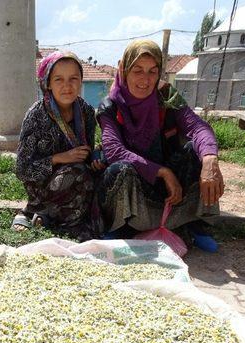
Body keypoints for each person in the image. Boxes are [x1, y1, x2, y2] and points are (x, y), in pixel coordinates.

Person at [96, 40, 224, 251]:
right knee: (119, 170)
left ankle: (194, 224)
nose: (145, 80)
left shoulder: (167, 97)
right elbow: (114, 151)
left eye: (152, 72)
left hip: (170, 190)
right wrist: (162, 172)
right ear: (123, 69)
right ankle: (118, 228)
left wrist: (210, 158)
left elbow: (198, 127)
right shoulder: (110, 107)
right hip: (139, 183)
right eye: (137, 70)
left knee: (197, 151)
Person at [12, 51, 104, 242]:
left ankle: (47, 219)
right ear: (48, 84)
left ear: (81, 81)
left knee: (101, 175)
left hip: (78, 179)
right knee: (77, 172)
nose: (67, 86)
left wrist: (95, 158)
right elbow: (22, 170)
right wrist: (60, 158)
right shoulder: (36, 115)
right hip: (43, 188)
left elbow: (85, 154)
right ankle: (35, 211)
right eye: (59, 79)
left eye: (73, 79)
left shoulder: (85, 111)